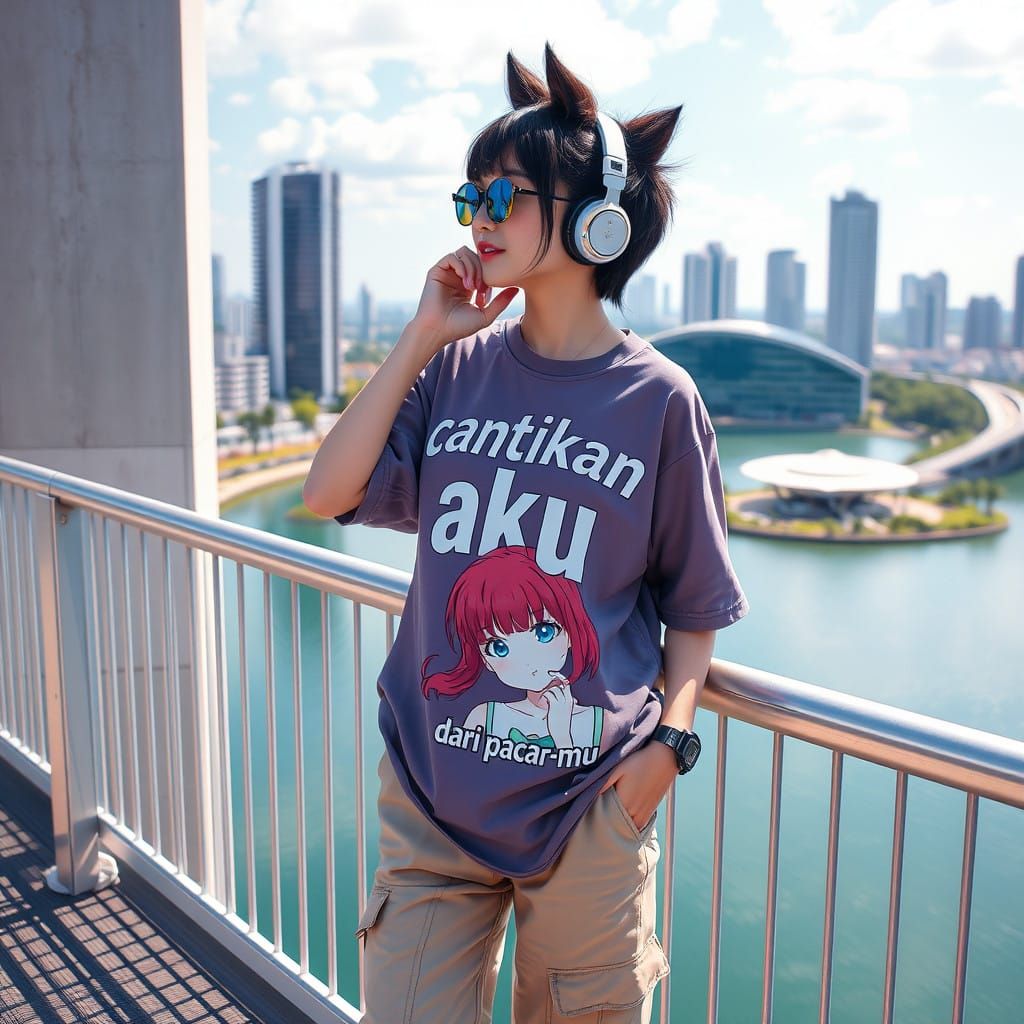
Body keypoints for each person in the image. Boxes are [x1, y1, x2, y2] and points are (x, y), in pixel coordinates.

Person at [303, 41, 750, 1024]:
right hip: (431, 793)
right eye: (471, 199)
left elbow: (696, 605)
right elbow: (326, 492)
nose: (479, 219)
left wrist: (662, 755)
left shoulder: (658, 402)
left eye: (504, 197)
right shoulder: (457, 373)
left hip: (591, 803)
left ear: (593, 220)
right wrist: (423, 332)